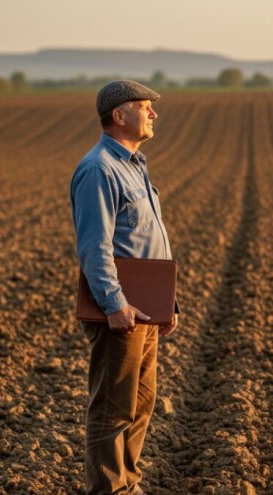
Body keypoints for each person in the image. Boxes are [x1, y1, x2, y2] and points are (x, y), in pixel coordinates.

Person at [70, 80, 178, 495]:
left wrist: (167, 304)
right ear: (119, 115)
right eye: (144, 106)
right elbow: (95, 248)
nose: (153, 113)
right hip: (122, 312)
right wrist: (114, 304)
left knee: (141, 403)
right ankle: (110, 490)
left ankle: (127, 484)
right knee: (114, 408)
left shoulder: (133, 164)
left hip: (147, 308)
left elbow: (148, 241)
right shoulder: (99, 168)